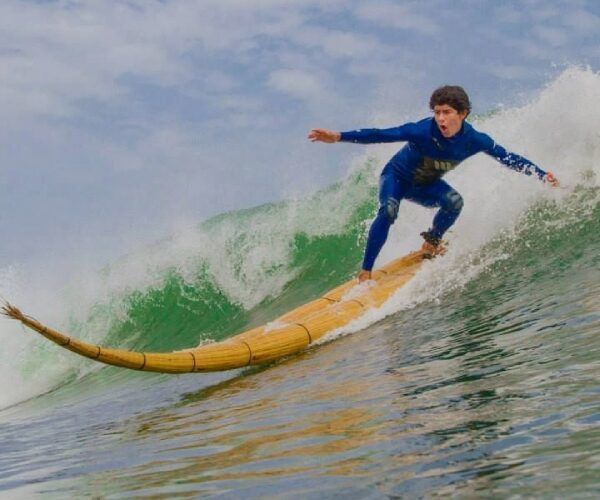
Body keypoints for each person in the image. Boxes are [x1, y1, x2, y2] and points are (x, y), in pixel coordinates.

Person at [308, 85, 558, 283]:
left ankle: (432, 241)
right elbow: (380, 134)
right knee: (389, 210)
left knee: (454, 202)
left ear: (463, 113)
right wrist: (339, 137)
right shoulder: (421, 131)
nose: (440, 118)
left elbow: (508, 158)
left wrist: (541, 174)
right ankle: (365, 273)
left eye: (447, 112)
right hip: (396, 178)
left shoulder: (475, 140)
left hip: (424, 186)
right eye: (437, 112)